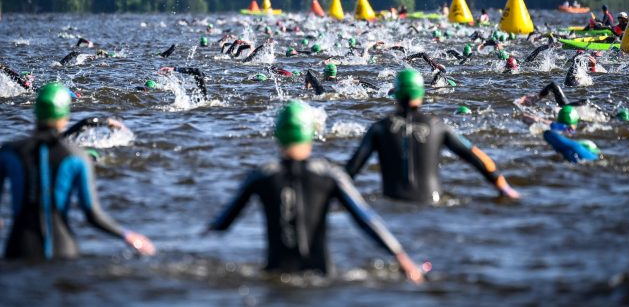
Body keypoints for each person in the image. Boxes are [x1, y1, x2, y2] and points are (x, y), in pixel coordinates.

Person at [205, 101, 424, 282]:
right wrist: (402, 258)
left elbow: (222, 224)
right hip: (322, 278)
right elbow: (365, 219)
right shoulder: (329, 175)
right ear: (311, 134)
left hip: (275, 277)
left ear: (277, 135)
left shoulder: (260, 176)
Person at [0, 83, 155, 260]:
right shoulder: (77, 156)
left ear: (35, 112)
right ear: (65, 115)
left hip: (18, 249)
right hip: (63, 250)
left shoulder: (8, 152)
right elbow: (92, 215)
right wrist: (129, 236)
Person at [346, 69, 520, 202]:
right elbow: (476, 157)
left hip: (392, 202)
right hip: (431, 202)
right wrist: (502, 186)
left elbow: (351, 169)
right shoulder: (438, 127)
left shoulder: (379, 128)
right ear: (421, 94)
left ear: (396, 93)